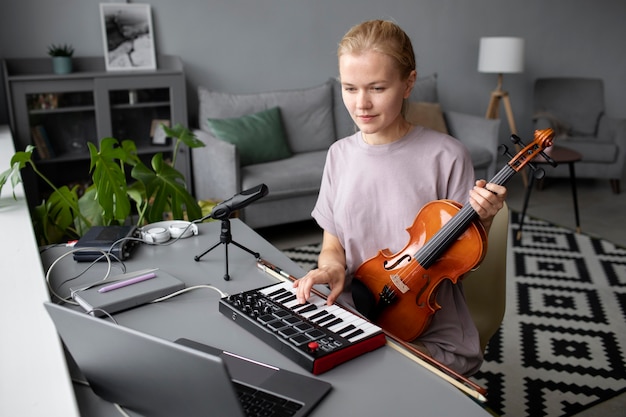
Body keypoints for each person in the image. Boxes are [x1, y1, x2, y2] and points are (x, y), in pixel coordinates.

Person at [293, 19, 507, 376]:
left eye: (377, 88)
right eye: (349, 88)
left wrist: (482, 220)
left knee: (378, 378)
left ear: (408, 83)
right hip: (357, 306)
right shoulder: (339, 155)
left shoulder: (447, 156)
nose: (361, 104)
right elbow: (333, 245)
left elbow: (459, 268)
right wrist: (330, 267)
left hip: (427, 319)